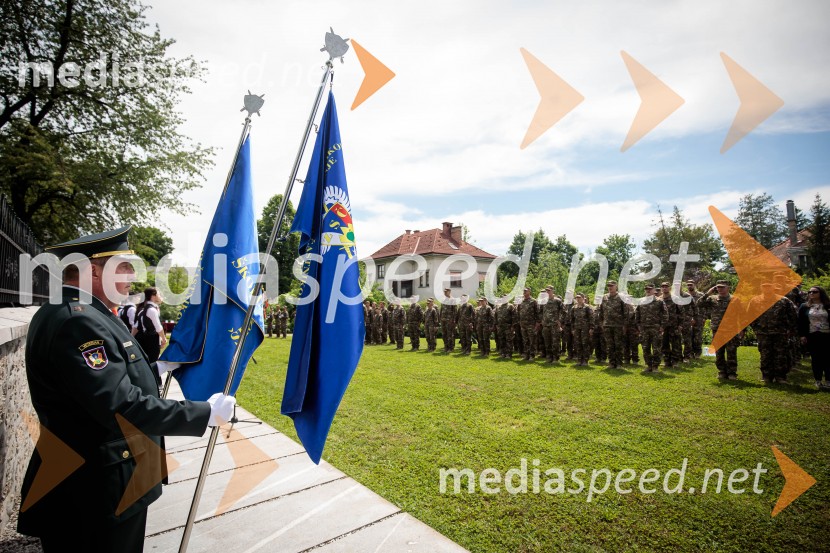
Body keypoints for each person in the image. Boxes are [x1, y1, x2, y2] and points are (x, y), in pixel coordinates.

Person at [17, 226, 234, 553]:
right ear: (92, 271)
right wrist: (204, 414)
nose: (133, 275)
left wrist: (157, 368)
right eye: (123, 267)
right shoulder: (77, 320)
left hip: (102, 482)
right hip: (95, 491)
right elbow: (121, 406)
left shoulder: (89, 312)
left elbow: (107, 377)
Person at [749, 282, 797, 384]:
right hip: (763, 333)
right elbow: (750, 316)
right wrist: (756, 328)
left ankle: (780, 377)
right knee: (765, 354)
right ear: (761, 288)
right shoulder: (755, 300)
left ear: (773, 287)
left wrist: (790, 329)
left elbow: (793, 315)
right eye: (764, 286)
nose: (766, 288)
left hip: (780, 332)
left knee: (780, 354)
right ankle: (766, 376)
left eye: (769, 286)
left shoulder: (783, 300)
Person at [699, 280, 743, 380]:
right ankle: (722, 371)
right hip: (717, 329)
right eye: (718, 287)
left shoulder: (735, 300)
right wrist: (708, 293)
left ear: (728, 288)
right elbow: (699, 304)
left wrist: (742, 329)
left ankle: (732, 373)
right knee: (719, 352)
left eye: (723, 287)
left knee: (731, 351)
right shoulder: (712, 299)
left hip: (731, 330)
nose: (720, 289)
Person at [798, 285, 830, 389]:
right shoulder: (804, 306)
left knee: (827, 358)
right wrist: (802, 335)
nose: (811, 294)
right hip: (812, 336)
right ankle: (818, 380)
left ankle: (828, 381)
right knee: (816, 358)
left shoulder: (828, 305)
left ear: (821, 293)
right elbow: (801, 322)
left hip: (827, 335)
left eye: (814, 292)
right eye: (809, 292)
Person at [636, 283, 667, 373]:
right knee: (645, 348)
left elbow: (665, 314)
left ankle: (655, 366)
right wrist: (638, 326)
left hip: (656, 328)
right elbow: (637, 314)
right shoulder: (641, 301)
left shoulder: (659, 301)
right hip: (644, 329)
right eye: (646, 289)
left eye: (650, 289)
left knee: (656, 348)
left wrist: (662, 326)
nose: (648, 290)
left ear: (654, 290)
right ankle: (649, 366)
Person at [132, 287, 166, 363]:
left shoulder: (144, 309)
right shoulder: (151, 310)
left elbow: (136, 326)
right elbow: (158, 328)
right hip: (152, 340)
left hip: (146, 339)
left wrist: (131, 338)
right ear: (153, 296)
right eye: (159, 294)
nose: (161, 297)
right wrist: (163, 339)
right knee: (153, 363)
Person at [597, 281, 626, 369]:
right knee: (609, 345)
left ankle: (619, 364)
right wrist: (601, 323)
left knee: (618, 345)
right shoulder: (604, 297)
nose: (610, 287)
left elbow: (626, 312)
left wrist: (625, 325)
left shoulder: (621, 297)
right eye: (609, 286)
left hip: (618, 325)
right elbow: (601, 311)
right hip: (607, 325)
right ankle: (611, 363)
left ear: (616, 286)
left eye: (612, 286)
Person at [540, 285, 564, 363]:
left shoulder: (557, 301)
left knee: (555, 342)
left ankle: (556, 358)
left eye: (549, 290)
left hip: (554, 325)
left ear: (553, 291)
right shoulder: (543, 301)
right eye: (546, 291)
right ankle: (549, 357)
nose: (547, 292)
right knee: (547, 342)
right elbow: (540, 312)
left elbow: (563, 311)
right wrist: (542, 320)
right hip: (546, 325)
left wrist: (560, 320)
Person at [570, 293, 593, 366]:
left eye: (579, 298)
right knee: (578, 344)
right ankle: (579, 360)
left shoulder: (587, 307)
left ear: (583, 298)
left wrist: (591, 328)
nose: (578, 299)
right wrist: (572, 329)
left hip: (585, 329)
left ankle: (585, 360)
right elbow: (572, 320)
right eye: (577, 298)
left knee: (585, 344)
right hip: (577, 329)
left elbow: (591, 318)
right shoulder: (574, 308)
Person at [517, 288, 540, 361]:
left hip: (531, 324)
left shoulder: (533, 301)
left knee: (532, 340)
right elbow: (518, 312)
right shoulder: (521, 302)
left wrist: (537, 323)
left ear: (529, 291)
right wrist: (520, 322)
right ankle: (526, 355)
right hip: (523, 324)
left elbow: (538, 312)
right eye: (523, 291)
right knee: (525, 340)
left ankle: (532, 355)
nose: (524, 292)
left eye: (525, 291)